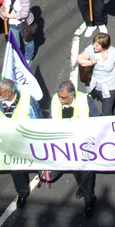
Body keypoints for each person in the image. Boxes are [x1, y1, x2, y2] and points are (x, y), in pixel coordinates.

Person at [41, 81, 98, 218]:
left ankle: (89, 200)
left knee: (86, 173)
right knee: (75, 170)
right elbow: (51, 120)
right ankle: (82, 187)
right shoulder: (55, 100)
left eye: (64, 98)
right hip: (66, 147)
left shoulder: (86, 101)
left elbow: (96, 120)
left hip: (83, 146)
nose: (60, 100)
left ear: (72, 96)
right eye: (60, 96)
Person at [0, 79, 42, 207]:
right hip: (10, 143)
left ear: (10, 92)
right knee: (15, 169)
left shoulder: (28, 101)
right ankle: (22, 193)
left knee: (36, 160)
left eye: (1, 92)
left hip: (27, 141)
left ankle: (41, 173)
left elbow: (38, 121)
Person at [77, 33, 115, 116]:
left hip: (110, 85)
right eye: (94, 44)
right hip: (96, 84)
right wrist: (90, 62)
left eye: (97, 46)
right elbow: (79, 58)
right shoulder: (90, 49)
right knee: (110, 102)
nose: (94, 47)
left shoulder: (114, 52)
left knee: (106, 110)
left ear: (105, 46)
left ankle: (108, 125)